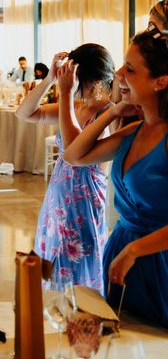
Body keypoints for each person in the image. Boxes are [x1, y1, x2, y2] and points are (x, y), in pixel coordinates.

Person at [64, 30, 168, 327]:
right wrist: (112, 113)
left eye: (130, 69)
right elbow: (74, 155)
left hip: (158, 260)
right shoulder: (132, 132)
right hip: (120, 252)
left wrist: (135, 249)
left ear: (161, 81)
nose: (119, 74)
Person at [16, 44, 115, 293]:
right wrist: (49, 79)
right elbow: (25, 113)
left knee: (80, 260)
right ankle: (56, 311)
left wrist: (67, 95)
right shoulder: (76, 107)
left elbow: (72, 151)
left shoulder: (109, 112)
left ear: (89, 78)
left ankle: (82, 314)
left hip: (85, 199)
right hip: (57, 199)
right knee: (54, 255)